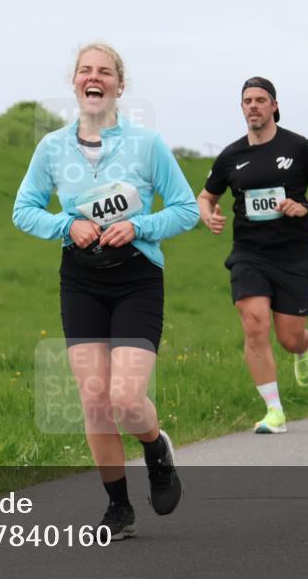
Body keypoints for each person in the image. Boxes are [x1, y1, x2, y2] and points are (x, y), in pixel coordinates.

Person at [12, 43, 199, 539]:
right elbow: (23, 209)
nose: (93, 78)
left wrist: (138, 227)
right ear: (74, 83)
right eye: (84, 71)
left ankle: (155, 445)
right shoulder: (51, 147)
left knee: (125, 398)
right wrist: (64, 227)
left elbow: (185, 209)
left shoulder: (147, 144)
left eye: (104, 72)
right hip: (81, 278)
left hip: (136, 276)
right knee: (95, 399)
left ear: (120, 85)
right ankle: (118, 507)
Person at [198, 77, 308, 434]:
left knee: (289, 338)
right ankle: (274, 412)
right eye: (247, 101)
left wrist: (305, 206)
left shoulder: (299, 147)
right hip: (249, 254)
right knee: (254, 322)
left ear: (274, 105)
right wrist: (208, 215)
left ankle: (304, 349)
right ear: (242, 107)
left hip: (293, 254)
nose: (253, 106)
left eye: (261, 100)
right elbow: (206, 196)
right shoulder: (231, 155)